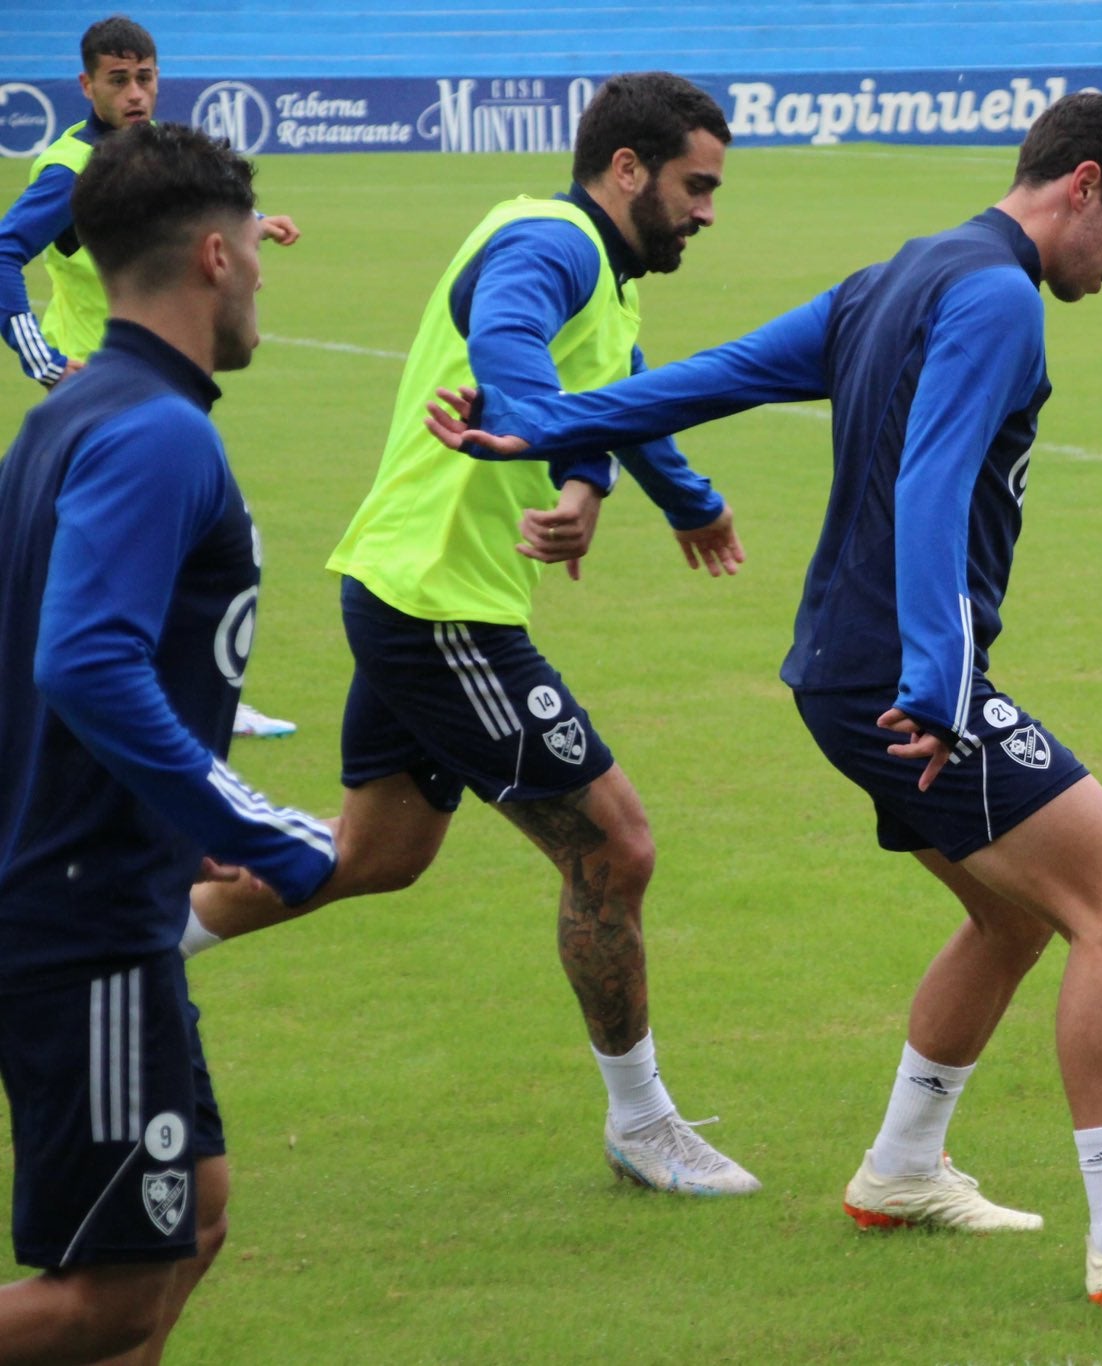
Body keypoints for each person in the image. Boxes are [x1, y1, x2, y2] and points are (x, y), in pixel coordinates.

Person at [425, 92, 1102, 1304]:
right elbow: (935, 483)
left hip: (845, 673)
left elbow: (716, 375)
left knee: (1015, 916)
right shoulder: (994, 297)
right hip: (901, 683)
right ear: (1082, 186)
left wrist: (545, 426)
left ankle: (900, 1167)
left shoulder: (894, 276)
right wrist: (938, 687)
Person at [181, 72, 759, 1198]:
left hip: (418, 586)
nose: (706, 210)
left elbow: (613, 390)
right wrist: (550, 435)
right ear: (626, 169)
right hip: (442, 605)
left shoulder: (602, 268)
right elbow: (511, 338)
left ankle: (128, 951)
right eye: (695, 185)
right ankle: (642, 1122)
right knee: (616, 847)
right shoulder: (553, 242)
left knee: (379, 852)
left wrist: (662, 493)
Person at [0, 122, 336, 1366]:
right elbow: (82, 660)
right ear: (212, 255)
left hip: (107, 890)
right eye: (254, 249)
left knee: (188, 1217)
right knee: (113, 1294)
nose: (261, 274)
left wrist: (174, 840)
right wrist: (255, 827)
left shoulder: (75, 415)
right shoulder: (155, 433)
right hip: (77, 917)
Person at [1, 16, 301, 390]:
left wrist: (253, 220)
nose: (135, 94)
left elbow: (192, 204)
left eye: (144, 78)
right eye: (118, 80)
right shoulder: (70, 172)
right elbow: (4, 252)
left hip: (164, 361)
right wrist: (44, 361)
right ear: (87, 85)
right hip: (95, 374)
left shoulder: (157, 145)